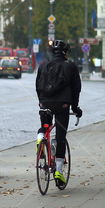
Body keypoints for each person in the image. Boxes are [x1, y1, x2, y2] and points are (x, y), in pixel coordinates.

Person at [35, 40, 82, 185]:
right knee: (60, 136)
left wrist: (41, 101)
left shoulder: (43, 65)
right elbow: (76, 89)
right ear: (66, 53)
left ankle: (41, 137)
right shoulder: (70, 66)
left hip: (45, 103)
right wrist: (75, 108)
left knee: (45, 126)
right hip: (62, 104)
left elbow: (37, 85)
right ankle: (59, 171)